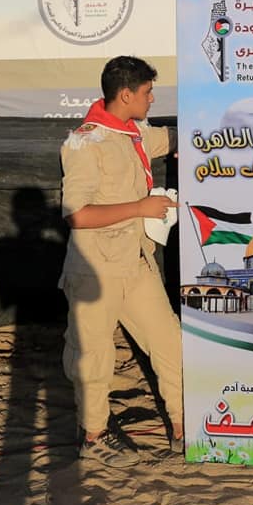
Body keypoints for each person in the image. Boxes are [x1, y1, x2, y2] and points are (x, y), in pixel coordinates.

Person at [60, 55, 184, 467]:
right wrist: (141, 207)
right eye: (148, 92)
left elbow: (175, 138)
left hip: (136, 263)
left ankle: (184, 427)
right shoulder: (84, 142)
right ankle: (93, 436)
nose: (152, 99)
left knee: (169, 344)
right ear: (126, 94)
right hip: (95, 269)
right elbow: (76, 214)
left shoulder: (133, 134)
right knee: (94, 358)